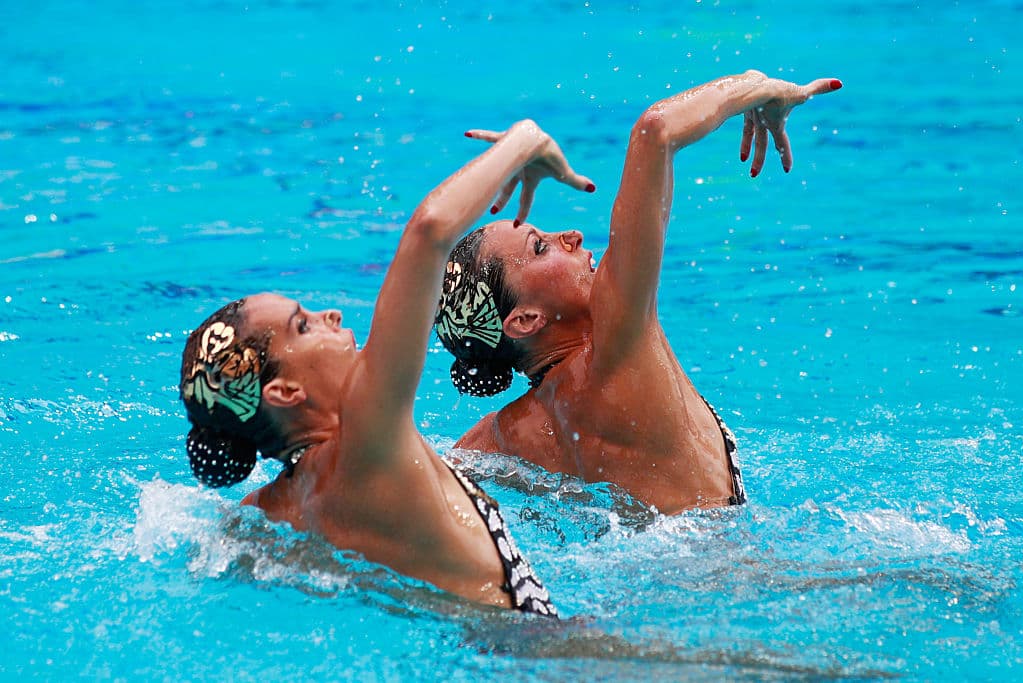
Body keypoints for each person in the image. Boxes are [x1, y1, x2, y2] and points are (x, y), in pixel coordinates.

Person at [178, 119, 595, 615]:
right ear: (285, 393)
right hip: (539, 648)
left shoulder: (268, 512)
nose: (328, 314)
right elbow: (429, 232)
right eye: (303, 326)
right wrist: (525, 140)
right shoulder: (366, 440)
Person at [434, 70, 842, 515]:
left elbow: (422, 481)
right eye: (540, 246)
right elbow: (655, 131)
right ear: (525, 320)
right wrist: (762, 87)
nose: (569, 235)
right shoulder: (617, 338)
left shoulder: (498, 440)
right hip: (730, 564)